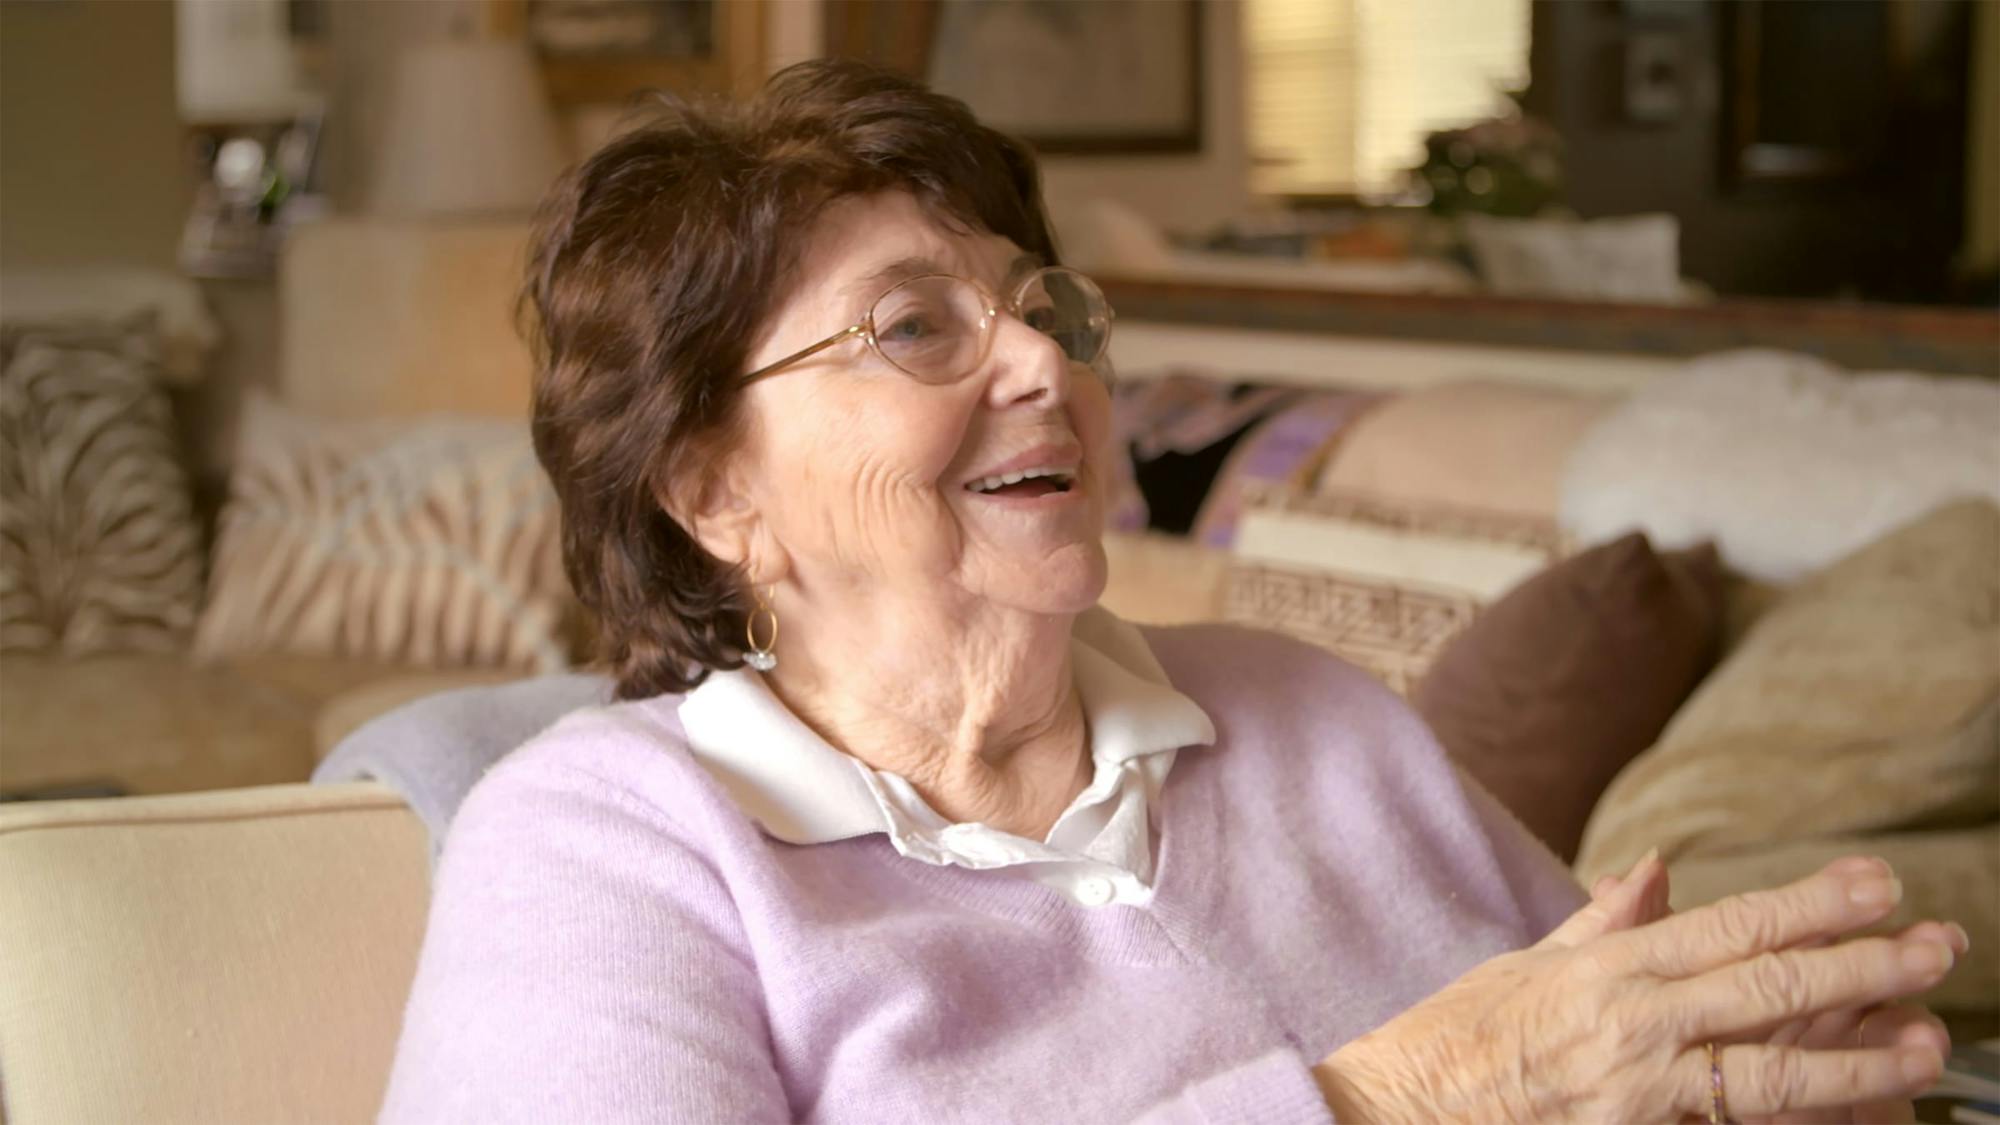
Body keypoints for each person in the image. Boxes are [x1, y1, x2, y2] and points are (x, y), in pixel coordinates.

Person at [379, 59, 1961, 1124]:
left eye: (1041, 306)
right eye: (915, 328)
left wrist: (1790, 1073)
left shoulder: (1311, 718)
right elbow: (1497, 1076)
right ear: (714, 485)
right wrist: (1392, 1100)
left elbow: (1624, 1043)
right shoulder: (612, 842)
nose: (1044, 362)